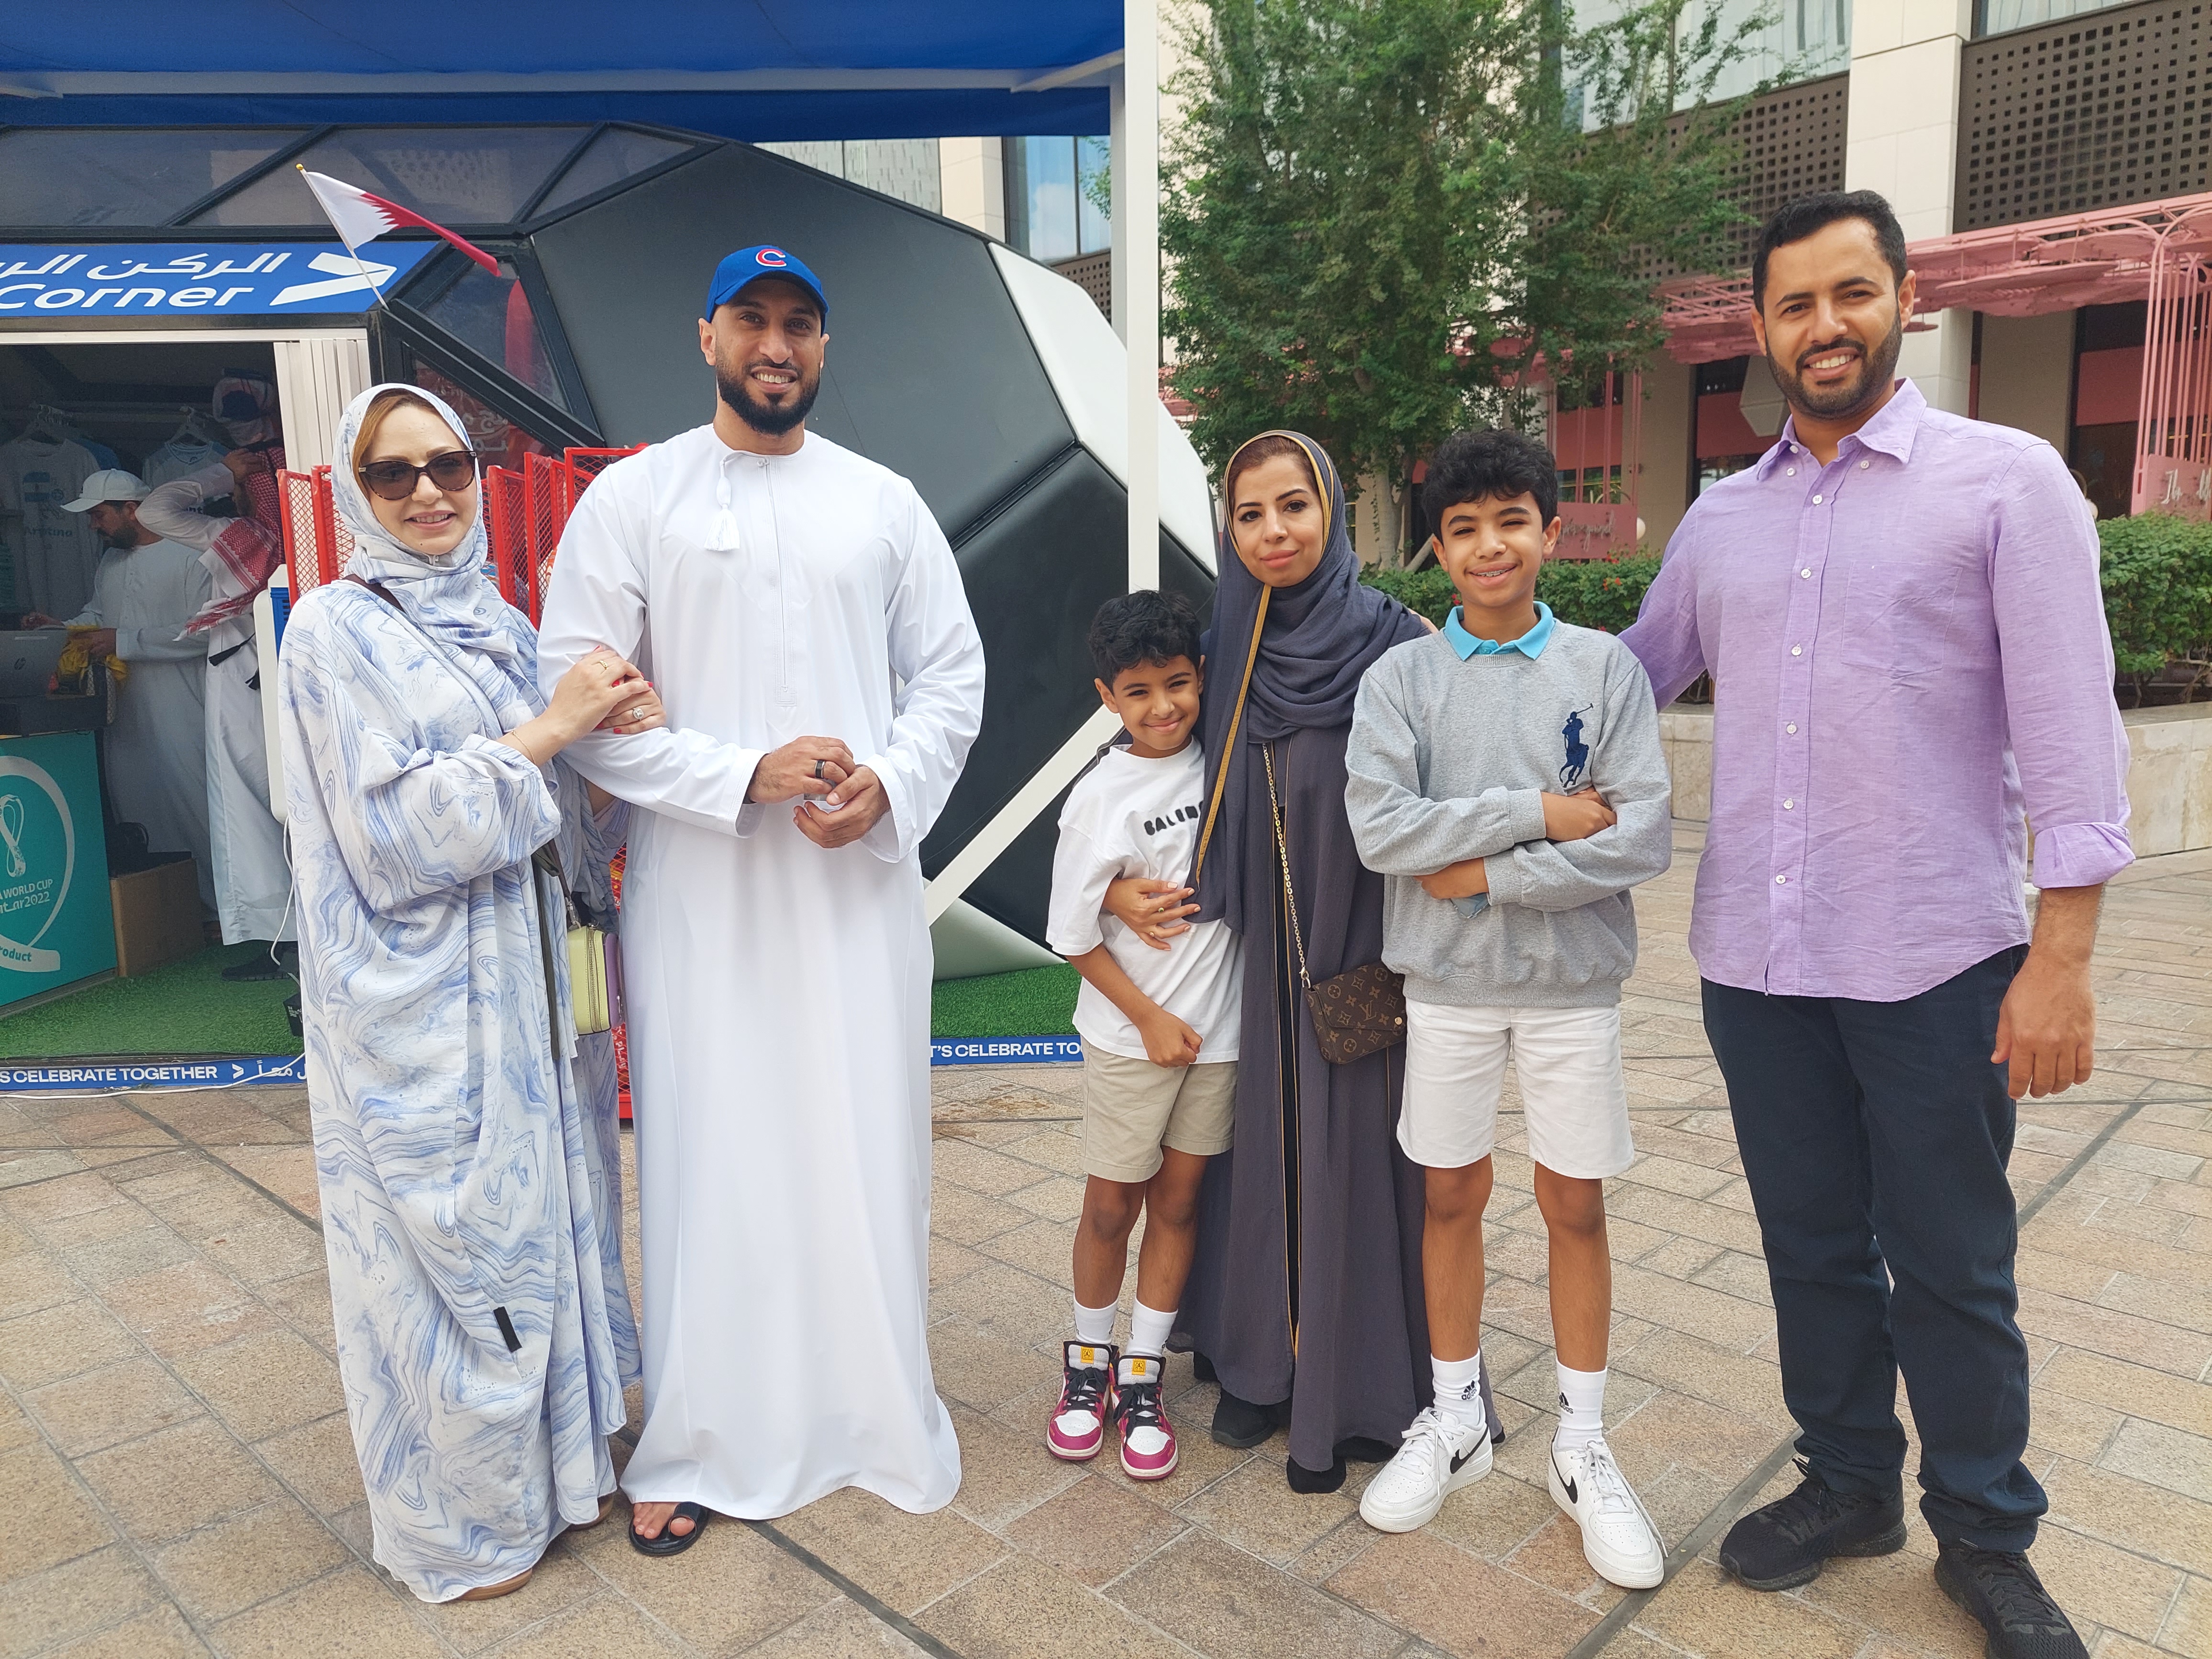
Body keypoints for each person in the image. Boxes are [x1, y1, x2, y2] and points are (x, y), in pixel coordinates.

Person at [1621, 191, 2130, 1659]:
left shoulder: (2003, 483)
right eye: (1793, 303)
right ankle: (1848, 1483)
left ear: (1902, 301)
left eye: (1850, 293)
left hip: (1935, 964)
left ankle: (1983, 1530)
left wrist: (2061, 959)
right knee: (1808, 1249)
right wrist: (1433, 678)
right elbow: (1613, 686)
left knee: (1951, 1262)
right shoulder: (1722, 520)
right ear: (1760, 329)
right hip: (1756, 970)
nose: (1822, 325)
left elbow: (2066, 737)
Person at [537, 243, 985, 1551]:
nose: (775, 345)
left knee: (861, 1140)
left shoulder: (885, 501)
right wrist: (745, 772)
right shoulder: (636, 500)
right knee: (711, 1146)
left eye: (800, 323)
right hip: (704, 893)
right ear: (708, 335)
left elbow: (950, 680)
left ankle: (870, 1413)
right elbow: (584, 704)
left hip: (852, 891)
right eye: (752, 321)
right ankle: (699, 1433)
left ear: (824, 349)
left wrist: (889, 783)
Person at [277, 383, 656, 1603]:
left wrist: (609, 747)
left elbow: (556, 824)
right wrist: (549, 732)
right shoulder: (332, 631)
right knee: (458, 1264)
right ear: (355, 498)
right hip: (424, 1013)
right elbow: (391, 838)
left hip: (533, 1001)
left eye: (447, 464)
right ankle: (469, 1526)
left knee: (552, 1221)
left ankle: (561, 1472)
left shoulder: (495, 615)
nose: (430, 491)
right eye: (394, 476)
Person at [1109, 430, 1494, 1493]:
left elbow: (1454, 784)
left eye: (1293, 507)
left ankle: (1368, 1381)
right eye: (1248, 515)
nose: (1271, 532)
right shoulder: (1229, 642)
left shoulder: (1395, 641)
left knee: (1367, 1153)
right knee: (1259, 1147)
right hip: (1259, 959)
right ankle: (1259, 1367)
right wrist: (1105, 886)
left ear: (1329, 510)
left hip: (1372, 953)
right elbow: (1144, 774)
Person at [1344, 428, 1671, 1587]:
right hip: (1442, 987)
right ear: (1436, 548)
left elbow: (1638, 835)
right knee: (1447, 1194)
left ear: (1547, 529)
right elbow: (1381, 829)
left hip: (1571, 989)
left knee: (1571, 1202)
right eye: (1463, 528)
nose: (1490, 546)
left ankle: (1581, 1440)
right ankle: (1455, 1419)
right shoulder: (1401, 681)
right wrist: (1538, 806)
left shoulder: (1602, 669)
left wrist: (1486, 869)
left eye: (1510, 522)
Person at [1044, 589, 1242, 1482]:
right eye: (1137, 692)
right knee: (1110, 1204)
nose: (1161, 706)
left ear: (1200, 676)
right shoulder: (1099, 795)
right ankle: (1086, 1362)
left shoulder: (1228, 759)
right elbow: (1070, 933)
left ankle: (1142, 1370)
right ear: (1106, 696)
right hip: (1132, 1041)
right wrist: (1150, 1016)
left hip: (1220, 1038)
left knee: (1178, 1201)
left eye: (1175, 683)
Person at [138, 441, 294, 978]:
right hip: (287, 679)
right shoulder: (316, 541)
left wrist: (220, 474)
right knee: (291, 806)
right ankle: (291, 936)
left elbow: (153, 511)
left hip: (241, 679)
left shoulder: (243, 537)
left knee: (247, 810)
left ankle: (283, 941)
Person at [33, 469, 215, 908]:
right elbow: (99, 616)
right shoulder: (111, 560)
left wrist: (125, 641)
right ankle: (165, 913)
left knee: (196, 804)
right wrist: (59, 630)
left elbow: (208, 632)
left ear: (131, 509)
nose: (93, 525)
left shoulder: (192, 555)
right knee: (137, 806)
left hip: (185, 707)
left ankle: (220, 908)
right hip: (126, 712)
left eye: (99, 515)